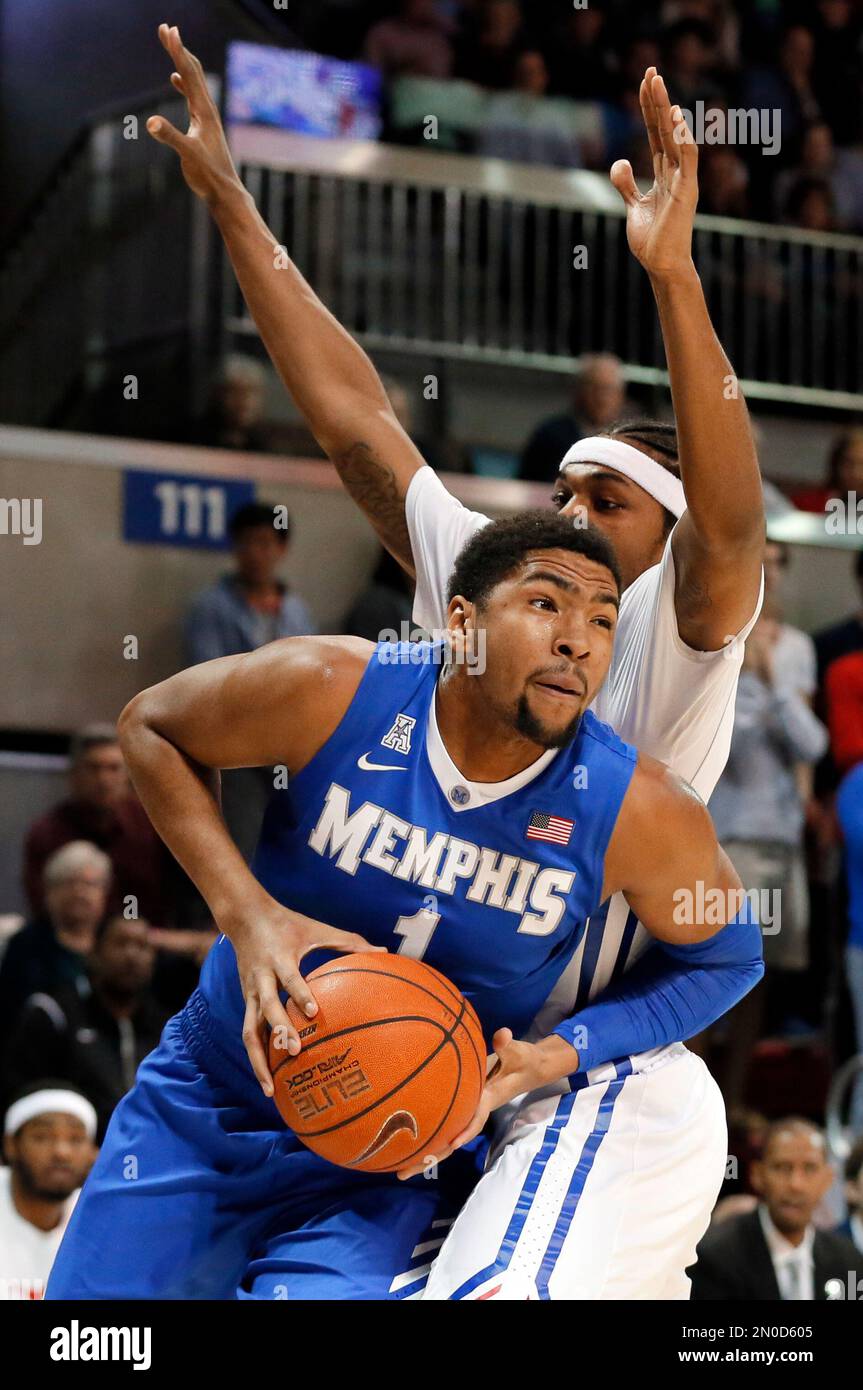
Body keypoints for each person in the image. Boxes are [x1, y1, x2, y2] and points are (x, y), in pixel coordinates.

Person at [145, 31, 765, 1296]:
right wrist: (231, 203)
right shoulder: (498, 588)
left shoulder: (672, 632)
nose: (569, 514)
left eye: (609, 503)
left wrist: (672, 274)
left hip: (605, 1065)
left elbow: (732, 526)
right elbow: (354, 418)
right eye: (560, 489)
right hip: (455, 1072)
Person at [47, 512, 763, 1300]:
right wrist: (243, 912)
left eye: (602, 618)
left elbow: (729, 956)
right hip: (211, 1098)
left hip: (393, 1160)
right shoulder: (333, 688)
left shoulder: (636, 808)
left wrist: (561, 1051)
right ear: (461, 623)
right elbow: (152, 725)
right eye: (545, 604)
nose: (578, 639)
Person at [707, 541, 828, 1111]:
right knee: (705, 970)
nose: (768, 574)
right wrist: (742, 673)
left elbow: (811, 742)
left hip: (779, 842)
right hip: (720, 837)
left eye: (777, 564)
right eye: (759, 561)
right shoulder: (712, 636)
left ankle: (730, 1105)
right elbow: (716, 749)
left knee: (756, 980)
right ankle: (693, 1101)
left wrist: (771, 676)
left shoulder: (797, 648)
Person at [184, 500, 316, 860]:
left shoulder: (296, 611)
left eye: (264, 543)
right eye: (245, 543)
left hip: (290, 750)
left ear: (281, 549)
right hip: (235, 748)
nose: (254, 553)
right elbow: (208, 675)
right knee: (239, 844)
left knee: (293, 844)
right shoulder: (212, 607)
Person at [3, 917, 167, 1142]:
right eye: (121, 944)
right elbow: (22, 1094)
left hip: (150, 1153)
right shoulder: (55, 1014)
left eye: (142, 946)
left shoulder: (169, 1027)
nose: (132, 955)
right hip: (74, 1155)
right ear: (94, 953)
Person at [689, 1118, 863, 1300]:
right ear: (757, 1175)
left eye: (809, 1168)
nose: (796, 1184)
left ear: (828, 1179)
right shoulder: (714, 1257)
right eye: (782, 1168)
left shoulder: (848, 1260)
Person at [23, 724, 169, 924]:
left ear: (127, 775)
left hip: (146, 942)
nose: (104, 779)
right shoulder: (48, 833)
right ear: (74, 774)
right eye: (93, 768)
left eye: (113, 768)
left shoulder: (152, 825)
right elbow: (42, 909)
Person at [0, 842, 110, 1044]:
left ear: (104, 893)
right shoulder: (25, 946)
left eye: (90, 884)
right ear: (49, 893)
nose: (79, 893)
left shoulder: (113, 945)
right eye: (69, 883)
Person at [0, 1085, 97, 1301]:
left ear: (93, 1153)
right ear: (10, 1145)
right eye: (42, 1137)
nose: (61, 1152)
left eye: (76, 1139)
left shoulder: (100, 1218)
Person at [519, 354, 627, 483]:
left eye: (609, 390)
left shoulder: (627, 444)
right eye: (595, 389)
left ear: (621, 396)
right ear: (578, 391)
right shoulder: (549, 435)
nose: (602, 399)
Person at [363, 0, 455, 80]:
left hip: (431, 95)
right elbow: (372, 73)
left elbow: (441, 77)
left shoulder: (438, 39)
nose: (426, 5)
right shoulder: (382, 33)